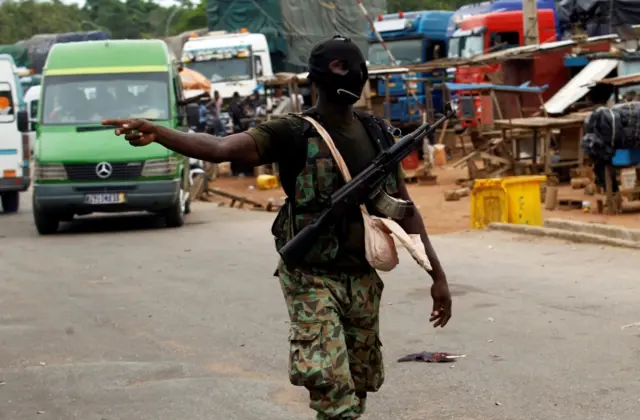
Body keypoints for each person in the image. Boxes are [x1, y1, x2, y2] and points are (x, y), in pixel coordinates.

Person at [102, 35, 452, 420]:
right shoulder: (291, 132)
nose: (352, 75)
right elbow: (221, 148)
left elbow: (405, 208)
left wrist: (437, 275)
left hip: (362, 277)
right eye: (343, 67)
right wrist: (161, 133)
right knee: (332, 389)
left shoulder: (377, 132)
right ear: (317, 81)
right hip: (310, 276)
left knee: (359, 381)